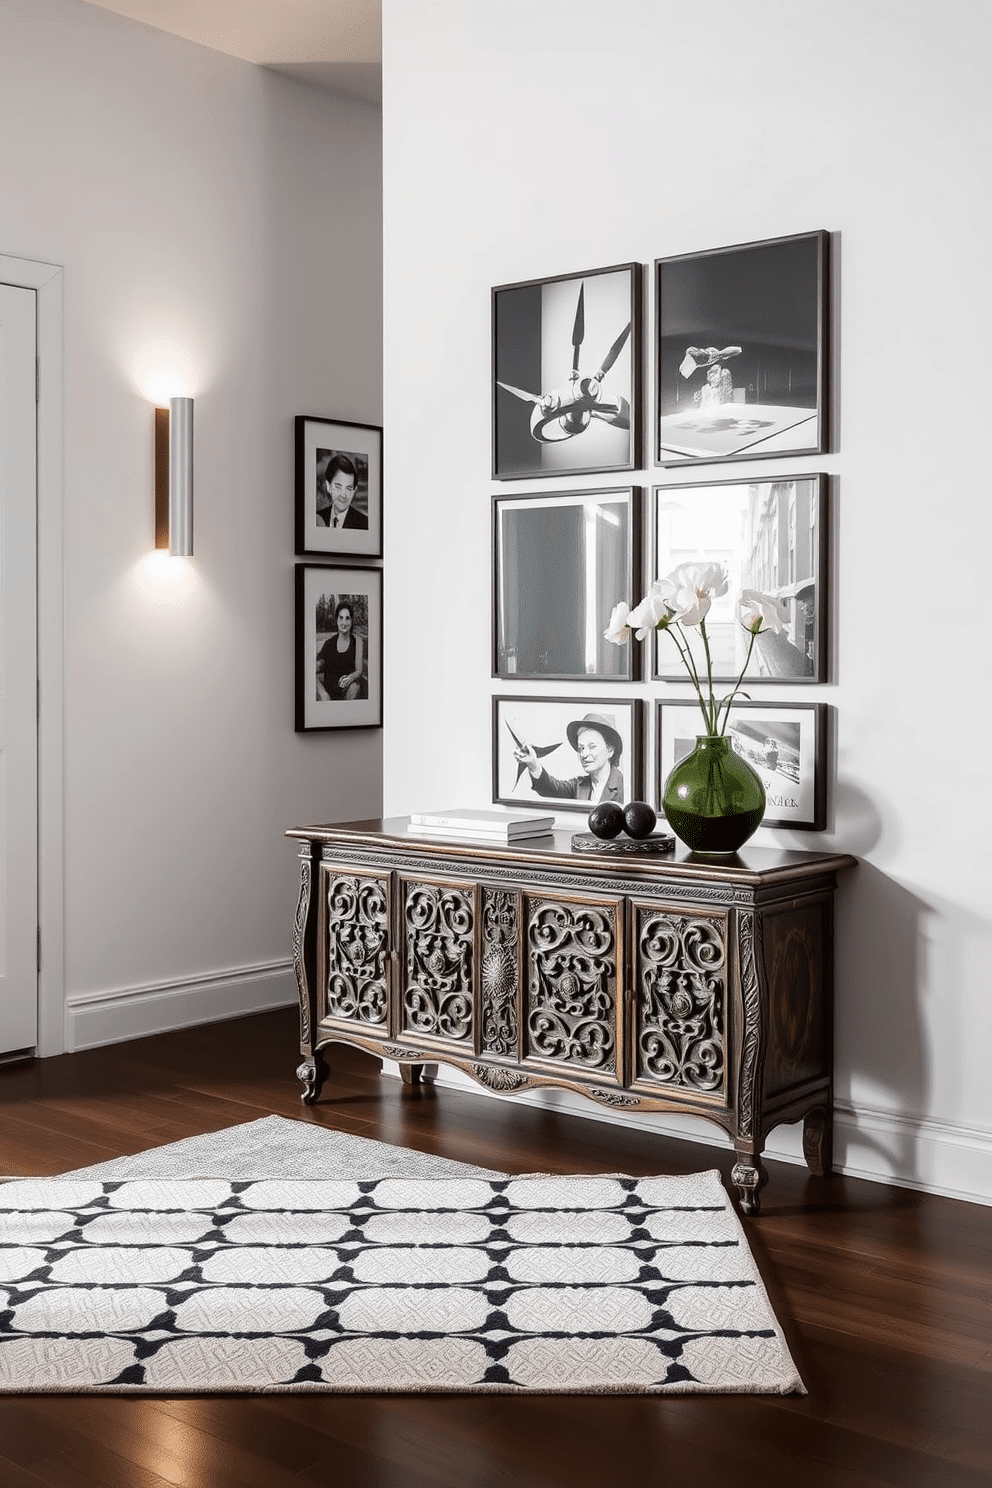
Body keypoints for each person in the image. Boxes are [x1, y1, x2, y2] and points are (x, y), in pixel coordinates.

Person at [514, 711, 624, 802]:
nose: (584, 755)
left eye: (592, 747)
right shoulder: (578, 786)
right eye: (581, 748)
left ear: (610, 751)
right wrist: (533, 764)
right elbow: (550, 788)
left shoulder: (625, 786)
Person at [317, 600, 365, 701]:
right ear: (337, 620)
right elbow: (315, 667)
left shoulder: (357, 641)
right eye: (341, 618)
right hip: (330, 692)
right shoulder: (329, 643)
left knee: (354, 688)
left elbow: (359, 671)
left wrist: (349, 678)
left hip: (348, 690)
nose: (344, 622)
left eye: (347, 618)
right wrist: (322, 692)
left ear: (351, 621)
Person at [316, 454, 368, 530]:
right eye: (338, 487)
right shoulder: (317, 518)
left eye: (349, 488)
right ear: (328, 486)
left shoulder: (364, 523)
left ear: (354, 491)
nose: (343, 495)